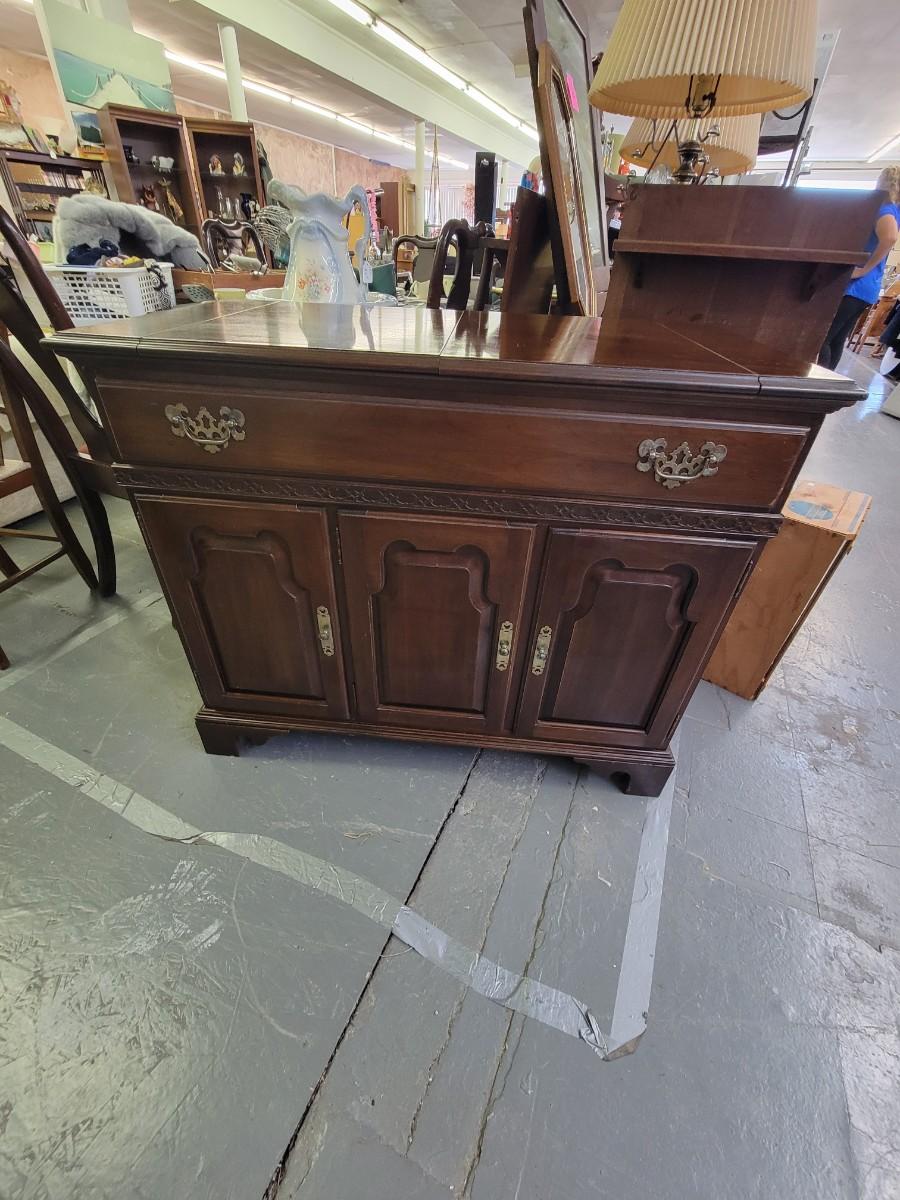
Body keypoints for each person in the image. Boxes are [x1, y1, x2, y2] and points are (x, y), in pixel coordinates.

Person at [818, 165, 900, 371]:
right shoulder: (894, 210)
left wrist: (864, 269)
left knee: (822, 337)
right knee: (836, 339)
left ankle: (821, 381)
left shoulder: (885, 209)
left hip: (857, 285)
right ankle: (828, 382)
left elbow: (890, 238)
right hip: (867, 287)